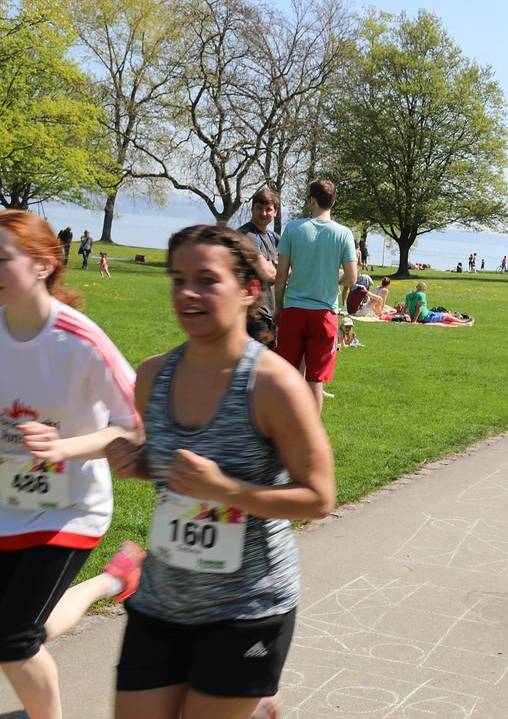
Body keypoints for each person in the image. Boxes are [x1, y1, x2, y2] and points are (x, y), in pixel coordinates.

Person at [105, 224, 337, 719]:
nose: (187, 292)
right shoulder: (152, 376)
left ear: (248, 291)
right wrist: (140, 463)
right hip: (162, 598)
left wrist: (226, 489)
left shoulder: (274, 386)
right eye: (177, 279)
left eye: (207, 280)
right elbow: (174, 471)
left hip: (247, 605)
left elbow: (319, 497)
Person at [0, 210, 144, 719]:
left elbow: (136, 426)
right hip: (9, 501)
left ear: (42, 265)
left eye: (2, 259)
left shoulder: (79, 338)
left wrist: (63, 448)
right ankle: (115, 579)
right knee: (17, 628)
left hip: (72, 508)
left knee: (13, 638)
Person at [272, 179, 358, 415]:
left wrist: (278, 308)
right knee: (315, 379)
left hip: (294, 311)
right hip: (324, 314)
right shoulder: (344, 234)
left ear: (311, 200)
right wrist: (334, 279)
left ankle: (284, 429)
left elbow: (281, 276)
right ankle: (310, 436)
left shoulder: (292, 228)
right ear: (333, 201)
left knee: (289, 375)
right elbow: (352, 278)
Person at [237, 188, 281, 348]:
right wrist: (278, 267)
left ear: (275, 212)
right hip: (252, 314)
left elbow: (293, 268)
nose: (263, 213)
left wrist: (274, 266)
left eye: (268, 209)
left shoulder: (274, 238)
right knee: (252, 365)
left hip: (271, 312)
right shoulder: (246, 235)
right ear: (252, 208)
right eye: (259, 208)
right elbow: (266, 273)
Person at [404, 282, 474, 325]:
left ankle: (459, 318)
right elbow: (419, 308)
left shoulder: (409, 294)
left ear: (416, 287)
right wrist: (414, 321)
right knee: (446, 315)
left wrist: (399, 315)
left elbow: (405, 306)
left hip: (416, 316)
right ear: (424, 289)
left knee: (435, 312)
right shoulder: (421, 295)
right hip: (424, 317)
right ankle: (463, 322)